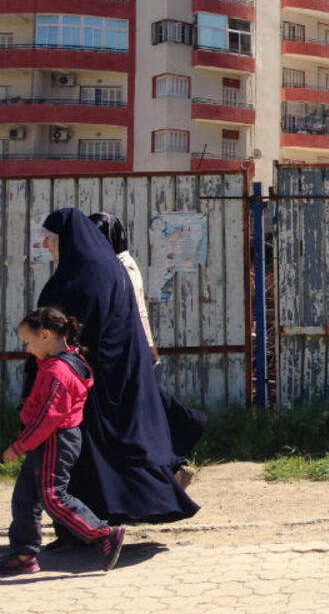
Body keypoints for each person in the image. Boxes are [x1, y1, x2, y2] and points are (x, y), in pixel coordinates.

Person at [28, 208, 200, 528]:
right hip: (103, 371)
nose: (47, 247)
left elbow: (90, 324)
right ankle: (94, 522)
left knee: (110, 446)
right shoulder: (100, 269)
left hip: (93, 376)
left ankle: (94, 525)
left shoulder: (93, 273)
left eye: (51, 241)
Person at [2, 307, 126, 575]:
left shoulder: (58, 372)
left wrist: (19, 446)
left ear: (45, 335)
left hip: (55, 440)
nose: (27, 349)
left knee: (52, 496)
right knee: (25, 497)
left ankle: (103, 533)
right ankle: (24, 554)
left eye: (28, 342)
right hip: (49, 438)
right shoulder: (62, 360)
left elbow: (49, 417)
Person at [89, 211, 204, 488]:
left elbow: (135, 313)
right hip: (133, 353)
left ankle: (172, 462)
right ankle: (172, 466)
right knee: (141, 415)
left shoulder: (120, 266)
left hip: (129, 355)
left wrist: (145, 349)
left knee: (137, 417)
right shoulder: (120, 263)